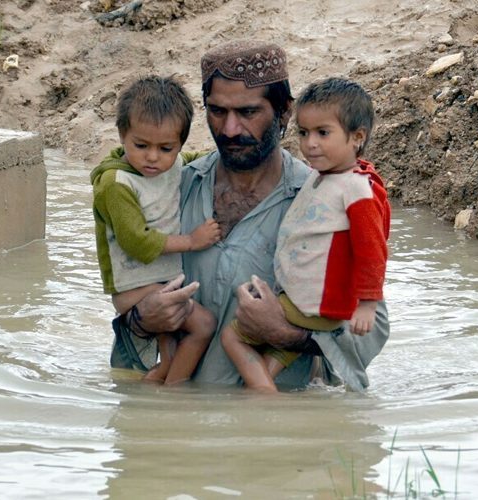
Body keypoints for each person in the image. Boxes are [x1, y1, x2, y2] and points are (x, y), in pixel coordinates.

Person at [109, 40, 389, 392]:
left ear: (284, 112)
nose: (229, 129)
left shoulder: (325, 197)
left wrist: (287, 334)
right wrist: (141, 320)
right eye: (217, 111)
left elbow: (372, 330)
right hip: (179, 426)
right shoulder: (172, 188)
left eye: (247, 112)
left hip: (276, 431)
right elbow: (126, 289)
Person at [220, 77, 390, 392]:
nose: (310, 143)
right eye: (303, 132)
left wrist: (367, 304)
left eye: (323, 133)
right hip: (304, 302)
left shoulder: (356, 188)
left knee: (231, 335)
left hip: (313, 306)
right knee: (264, 373)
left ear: (357, 137)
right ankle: (264, 398)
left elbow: (372, 249)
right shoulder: (325, 178)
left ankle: (264, 401)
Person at [91, 75, 222, 385]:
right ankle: (172, 395)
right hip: (136, 288)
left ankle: (156, 388)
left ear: (179, 143)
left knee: (172, 351)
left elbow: (195, 162)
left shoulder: (172, 164)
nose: (152, 157)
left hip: (159, 281)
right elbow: (136, 240)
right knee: (203, 325)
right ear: (122, 135)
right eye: (141, 145)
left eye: (166, 148)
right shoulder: (115, 184)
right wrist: (191, 241)